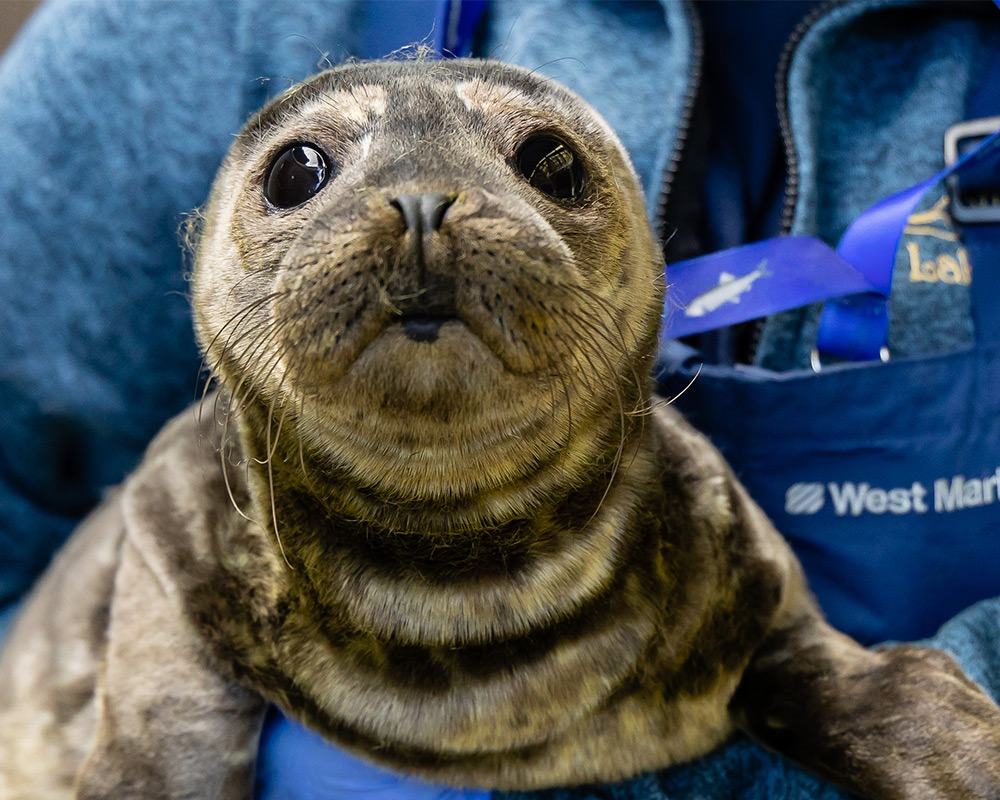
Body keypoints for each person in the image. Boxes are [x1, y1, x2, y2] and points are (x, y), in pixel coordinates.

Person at [1, 1, 999, 798]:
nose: (417, 211)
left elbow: (795, 649)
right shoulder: (201, 22)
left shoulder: (692, 500)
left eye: (548, 167)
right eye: (302, 176)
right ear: (202, 256)